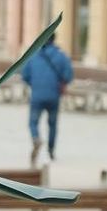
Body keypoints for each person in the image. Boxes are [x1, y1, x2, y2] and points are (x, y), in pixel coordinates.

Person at [20, 35, 73, 164]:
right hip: (54, 95)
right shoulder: (61, 56)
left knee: (33, 122)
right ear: (54, 40)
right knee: (52, 124)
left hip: (37, 95)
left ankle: (36, 138)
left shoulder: (33, 56)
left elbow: (25, 74)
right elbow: (68, 75)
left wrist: (34, 84)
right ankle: (51, 150)